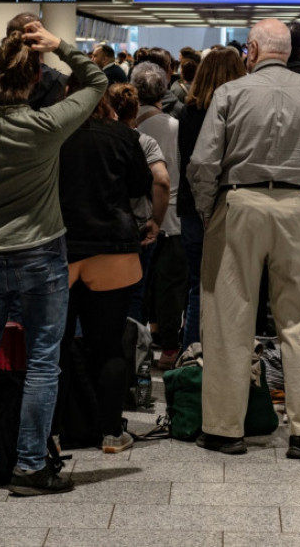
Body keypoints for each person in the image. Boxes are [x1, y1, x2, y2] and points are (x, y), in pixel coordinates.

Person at [0, 18, 106, 496]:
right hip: (42, 255)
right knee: (41, 360)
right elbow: (98, 81)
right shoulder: (48, 125)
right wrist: (59, 46)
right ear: (36, 78)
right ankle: (31, 467)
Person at [188, 18, 300, 459]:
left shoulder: (230, 93)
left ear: (254, 50)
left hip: (239, 204)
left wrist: (211, 211)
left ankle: (225, 430)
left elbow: (203, 163)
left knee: (228, 318)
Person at [57, 90, 152, 453]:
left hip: (61, 246)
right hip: (113, 248)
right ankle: (112, 433)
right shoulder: (124, 136)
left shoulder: (53, 133)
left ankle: (52, 431)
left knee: (54, 348)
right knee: (109, 345)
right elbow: (140, 186)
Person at [177, 47, 245, 349]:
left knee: (198, 286)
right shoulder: (238, 114)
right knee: (234, 287)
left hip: (191, 208)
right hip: (228, 207)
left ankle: (191, 355)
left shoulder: (186, 113)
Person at [131, 61, 186, 371]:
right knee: (171, 286)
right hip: (173, 217)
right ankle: (169, 346)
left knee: (140, 285)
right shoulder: (176, 127)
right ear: (164, 92)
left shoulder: (130, 129)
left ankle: (139, 339)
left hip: (139, 216)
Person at [109, 82, 170, 328]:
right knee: (134, 293)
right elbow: (162, 181)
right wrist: (156, 220)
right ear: (135, 112)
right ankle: (132, 355)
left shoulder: (101, 140)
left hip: (105, 228)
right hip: (138, 228)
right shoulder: (145, 142)